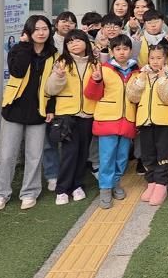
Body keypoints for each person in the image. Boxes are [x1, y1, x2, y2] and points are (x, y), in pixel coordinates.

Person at [0, 15, 58, 212]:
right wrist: (25, 47)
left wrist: (51, 109)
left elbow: (54, 86)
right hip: (14, 108)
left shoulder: (53, 54)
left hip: (39, 111)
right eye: (36, 29)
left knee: (34, 155)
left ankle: (30, 192)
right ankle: (0, 194)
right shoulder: (17, 50)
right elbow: (18, 72)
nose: (41, 33)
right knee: (7, 155)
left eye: (44, 28)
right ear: (28, 32)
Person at [43, 29, 98, 205]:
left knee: (83, 153)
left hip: (88, 113)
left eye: (78, 40)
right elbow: (50, 89)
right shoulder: (62, 62)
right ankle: (62, 189)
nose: (74, 44)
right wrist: (58, 76)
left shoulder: (94, 63)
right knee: (69, 153)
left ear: (86, 43)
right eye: (70, 42)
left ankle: (77, 185)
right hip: (67, 115)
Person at [84, 35, 139, 209]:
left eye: (125, 49)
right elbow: (91, 94)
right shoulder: (103, 69)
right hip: (108, 120)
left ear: (130, 51)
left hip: (128, 119)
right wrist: (96, 80)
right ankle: (105, 188)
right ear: (112, 51)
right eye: (118, 49)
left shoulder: (137, 71)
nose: (122, 52)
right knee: (107, 157)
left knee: (122, 157)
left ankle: (116, 183)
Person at [126, 42, 168, 206]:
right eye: (152, 58)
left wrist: (162, 79)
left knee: (163, 153)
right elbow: (132, 97)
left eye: (159, 58)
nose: (155, 61)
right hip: (145, 121)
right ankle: (152, 182)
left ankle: (161, 184)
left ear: (165, 59)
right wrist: (141, 78)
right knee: (148, 154)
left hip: (164, 122)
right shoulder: (140, 75)